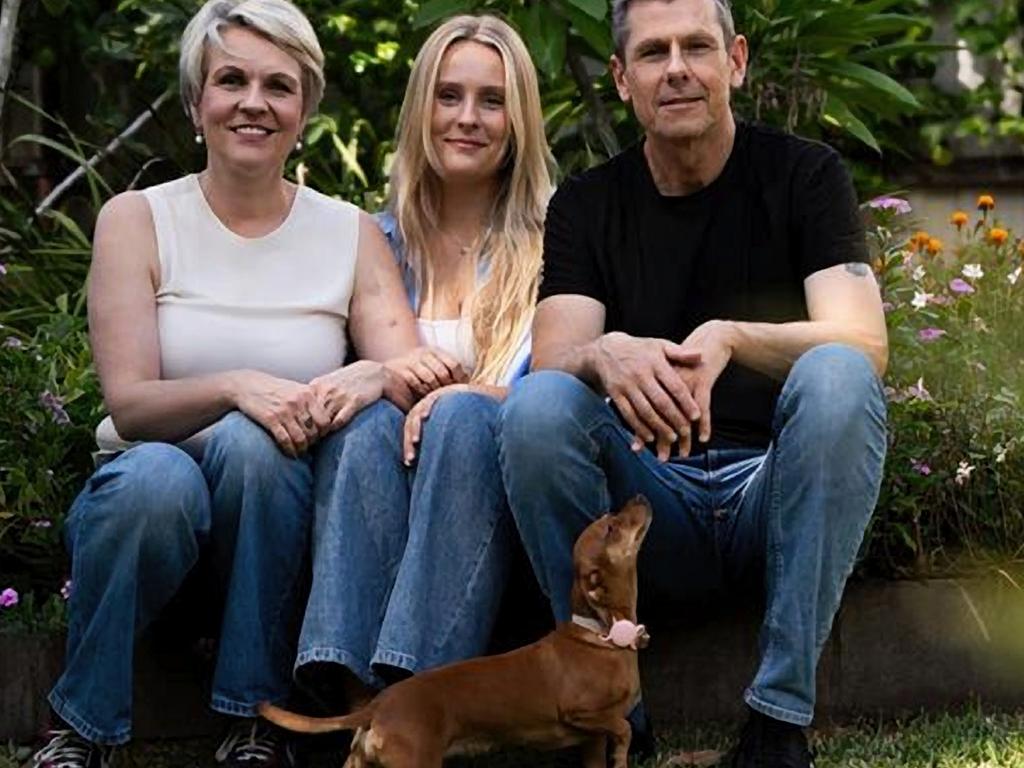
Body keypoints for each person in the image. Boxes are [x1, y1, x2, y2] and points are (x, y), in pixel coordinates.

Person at [25, 2, 456, 767]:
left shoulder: (347, 232)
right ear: (197, 102)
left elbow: (405, 370)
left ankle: (253, 721)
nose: (254, 102)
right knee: (158, 474)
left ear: (303, 111)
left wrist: (372, 369)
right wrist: (236, 385)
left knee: (258, 452)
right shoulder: (138, 219)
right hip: (146, 534)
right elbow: (129, 402)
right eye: (231, 80)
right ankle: (84, 729)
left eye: (278, 86)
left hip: (274, 546)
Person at [497, 0, 889, 765]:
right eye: (652, 53)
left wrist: (732, 337)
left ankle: (778, 725)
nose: (676, 68)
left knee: (839, 374)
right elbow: (551, 358)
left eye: (696, 47)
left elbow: (865, 342)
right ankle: (615, 722)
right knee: (539, 406)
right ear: (621, 78)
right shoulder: (587, 202)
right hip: (647, 510)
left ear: (735, 61)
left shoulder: (805, 174)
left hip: (771, 499)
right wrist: (604, 352)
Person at [292, 14, 555, 711]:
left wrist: (469, 397)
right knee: (367, 424)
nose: (467, 118)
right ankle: (342, 689)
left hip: (498, 531)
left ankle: (415, 699)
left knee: (465, 417)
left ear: (518, 117)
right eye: (448, 95)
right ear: (421, 109)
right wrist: (380, 375)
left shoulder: (561, 241)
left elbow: (561, 397)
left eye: (492, 100)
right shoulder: (368, 240)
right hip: (384, 518)